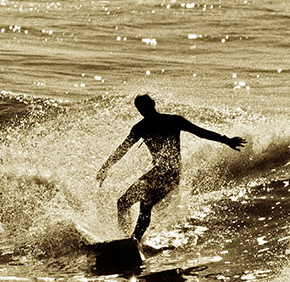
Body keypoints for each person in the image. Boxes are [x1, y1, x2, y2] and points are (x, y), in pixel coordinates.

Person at [96, 94, 245, 243]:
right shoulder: (140, 128)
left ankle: (135, 239)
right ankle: (125, 240)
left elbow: (201, 133)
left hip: (172, 174)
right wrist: (106, 167)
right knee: (122, 203)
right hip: (157, 171)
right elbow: (123, 149)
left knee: (145, 203)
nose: (143, 111)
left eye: (145, 107)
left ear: (152, 105)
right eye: (140, 109)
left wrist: (226, 140)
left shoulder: (174, 121)